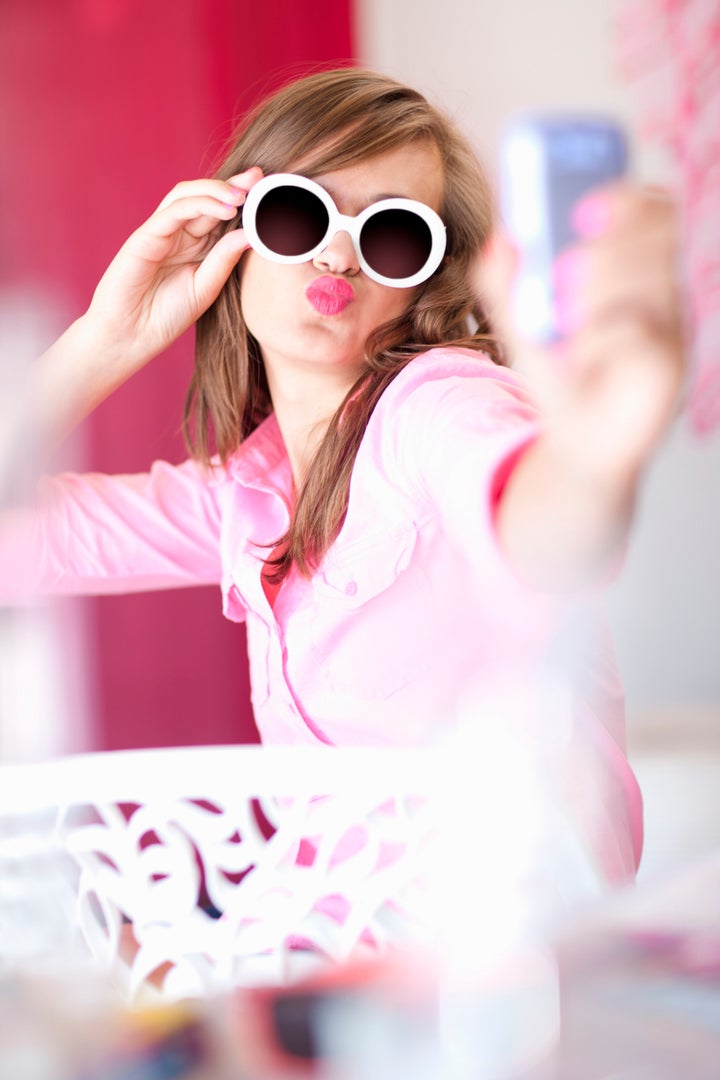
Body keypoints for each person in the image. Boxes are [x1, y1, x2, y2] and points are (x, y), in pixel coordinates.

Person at [3, 68, 683, 892]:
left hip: (503, 948)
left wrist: (587, 453)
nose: (338, 254)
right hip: (337, 942)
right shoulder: (240, 500)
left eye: (392, 234)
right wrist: (106, 337)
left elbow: (540, 529)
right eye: (297, 213)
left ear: (422, 283)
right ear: (232, 236)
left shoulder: (437, 407)